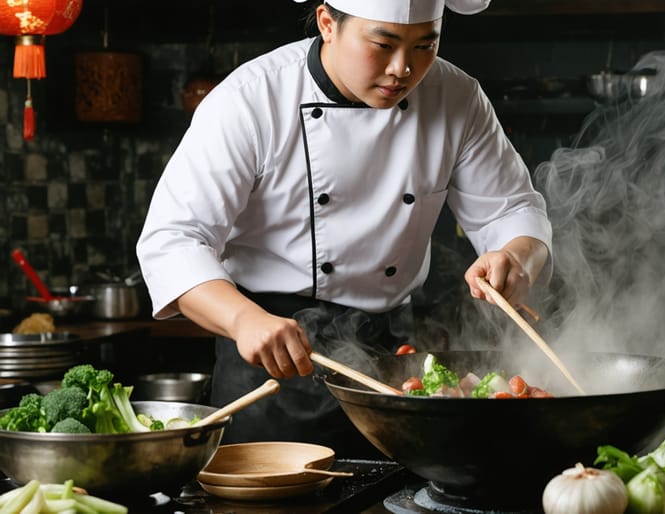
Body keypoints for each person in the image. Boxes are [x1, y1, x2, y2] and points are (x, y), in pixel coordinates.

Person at [136, 0, 552, 457]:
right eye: (383, 44)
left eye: (424, 45)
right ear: (327, 23)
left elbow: (511, 210)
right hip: (277, 356)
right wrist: (243, 319)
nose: (403, 68)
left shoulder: (456, 95)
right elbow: (173, 240)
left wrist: (516, 256)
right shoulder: (252, 98)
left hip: (396, 363)